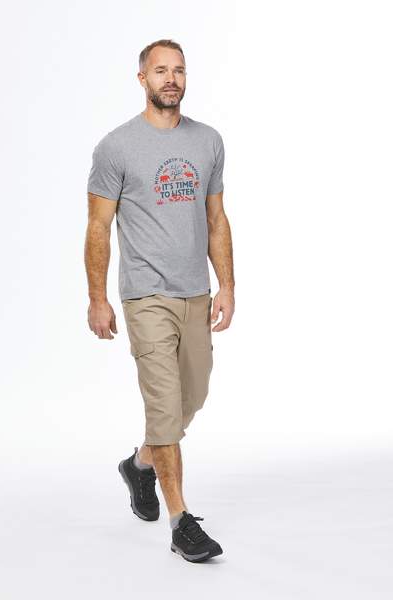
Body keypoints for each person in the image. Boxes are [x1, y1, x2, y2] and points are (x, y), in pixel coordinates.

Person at [84, 38, 235, 563]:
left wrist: (227, 285)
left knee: (194, 395)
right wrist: (97, 297)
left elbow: (216, 218)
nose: (171, 79)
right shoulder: (116, 147)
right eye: (160, 71)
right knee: (164, 406)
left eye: (179, 71)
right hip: (145, 294)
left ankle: (140, 464)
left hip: (196, 291)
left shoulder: (208, 141)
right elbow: (98, 227)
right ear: (142, 79)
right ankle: (180, 522)